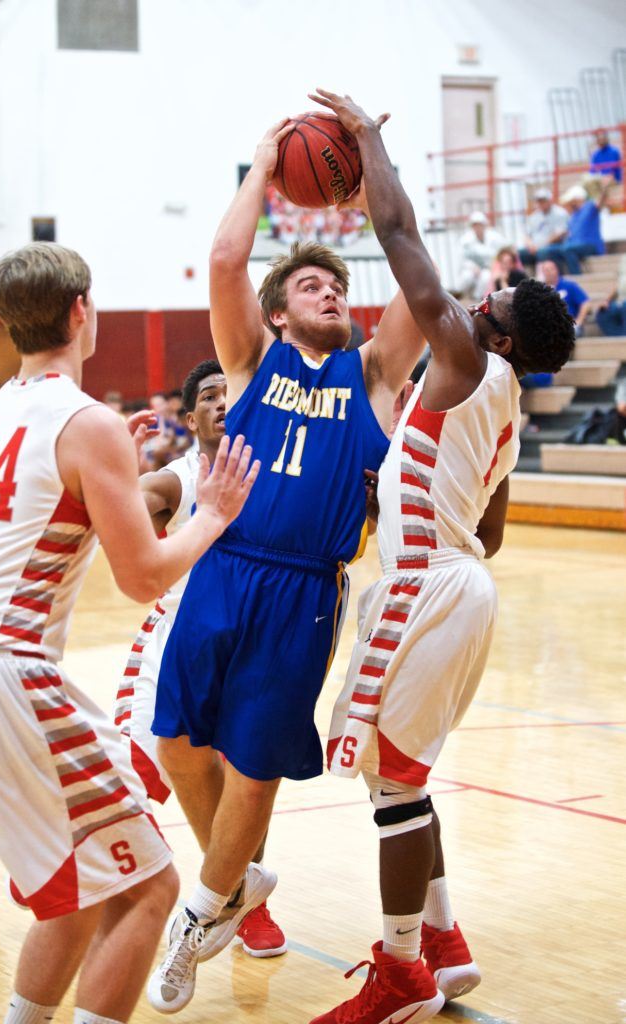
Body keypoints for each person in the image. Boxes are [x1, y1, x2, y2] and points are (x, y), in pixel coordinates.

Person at [0, 242, 259, 1024]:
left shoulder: (0, 408)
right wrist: (213, 514)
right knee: (152, 889)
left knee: (79, 891)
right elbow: (141, 577)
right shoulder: (89, 422)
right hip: (11, 672)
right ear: (81, 310)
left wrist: (114, 451)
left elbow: (49, 495)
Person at [146, 116, 426, 1014]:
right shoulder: (253, 360)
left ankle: (195, 922)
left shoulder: (374, 376)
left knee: (255, 765)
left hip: (305, 590)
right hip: (224, 568)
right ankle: (234, 885)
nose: (331, 290)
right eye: (311, 282)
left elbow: (414, 270)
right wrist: (268, 163)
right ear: (278, 311)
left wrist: (371, 163)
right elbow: (227, 259)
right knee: (179, 748)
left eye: (339, 283)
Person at [307, 88, 575, 1024]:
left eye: (485, 299)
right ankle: (445, 942)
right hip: (457, 579)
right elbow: (493, 531)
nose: (466, 297)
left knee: (393, 784)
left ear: (495, 333)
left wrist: (370, 142)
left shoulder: (462, 360)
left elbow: (399, 232)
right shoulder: (502, 410)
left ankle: (401, 972)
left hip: (429, 584)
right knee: (400, 775)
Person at [116, 358, 287, 960]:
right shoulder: (179, 478)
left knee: (246, 777)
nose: (221, 402)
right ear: (188, 419)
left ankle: (245, 901)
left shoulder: (273, 471)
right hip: (177, 639)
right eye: (208, 396)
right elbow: (135, 499)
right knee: (135, 774)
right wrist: (122, 472)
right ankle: (220, 892)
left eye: (228, 393)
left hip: (251, 638)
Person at [538, 184, 608, 274]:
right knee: (548, 252)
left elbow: (600, 202)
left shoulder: (589, 206)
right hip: (573, 245)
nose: (570, 203)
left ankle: (577, 277)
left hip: (590, 245)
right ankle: (558, 278)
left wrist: (605, 187)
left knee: (568, 249)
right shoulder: (573, 215)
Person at [455, 211, 506, 300]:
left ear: (484, 225)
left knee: (486, 277)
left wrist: (493, 266)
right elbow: (462, 259)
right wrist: (473, 267)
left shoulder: (494, 237)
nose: (477, 227)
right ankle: (459, 298)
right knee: (467, 276)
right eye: (475, 225)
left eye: (479, 224)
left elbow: (501, 251)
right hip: (472, 269)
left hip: (489, 268)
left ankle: (477, 300)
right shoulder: (465, 240)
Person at [518, 187, 569, 269]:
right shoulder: (534, 216)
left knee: (543, 252)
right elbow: (526, 234)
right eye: (538, 201)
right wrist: (530, 245)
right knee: (519, 254)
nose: (540, 203)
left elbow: (560, 233)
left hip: (553, 245)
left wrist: (541, 245)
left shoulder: (560, 213)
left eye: (543, 200)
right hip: (535, 247)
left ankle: (549, 276)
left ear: (549, 200)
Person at [540, 257, 589, 335]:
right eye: (546, 270)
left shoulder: (569, 285)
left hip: (569, 325)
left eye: (551, 269)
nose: (549, 272)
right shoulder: (541, 290)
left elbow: (585, 303)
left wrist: (579, 321)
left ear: (557, 270)